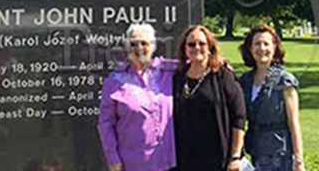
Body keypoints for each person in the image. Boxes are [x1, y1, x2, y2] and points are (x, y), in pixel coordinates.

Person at [97, 23, 178, 171]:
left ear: (153, 46)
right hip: (134, 163)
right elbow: (105, 123)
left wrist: (220, 64)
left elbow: (197, 65)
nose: (139, 48)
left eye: (144, 43)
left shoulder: (169, 71)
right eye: (133, 43)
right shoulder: (114, 80)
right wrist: (113, 158)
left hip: (168, 161)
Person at [173, 24, 245, 171]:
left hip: (218, 158)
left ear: (210, 47)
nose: (196, 47)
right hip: (185, 159)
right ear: (184, 49)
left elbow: (239, 118)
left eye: (202, 43)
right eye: (191, 44)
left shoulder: (223, 75)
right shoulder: (177, 77)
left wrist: (235, 156)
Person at [238, 24, 304, 171]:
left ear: (274, 48)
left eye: (266, 44)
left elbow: (294, 123)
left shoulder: (284, 80)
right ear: (250, 49)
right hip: (255, 152)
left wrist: (299, 160)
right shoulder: (245, 81)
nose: (262, 48)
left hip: (279, 155)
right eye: (257, 44)